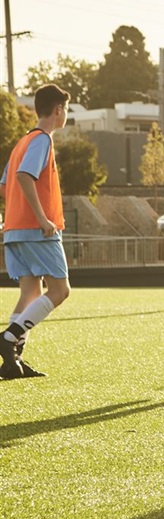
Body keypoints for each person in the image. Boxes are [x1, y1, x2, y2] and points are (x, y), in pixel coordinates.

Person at [0, 84, 72, 379]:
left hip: (15, 230)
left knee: (31, 293)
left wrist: (16, 214)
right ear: (58, 110)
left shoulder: (22, 142)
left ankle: (12, 362)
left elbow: (5, 185)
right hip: (36, 230)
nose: (66, 114)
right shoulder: (42, 140)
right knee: (60, 290)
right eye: (66, 109)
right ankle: (8, 338)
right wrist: (42, 217)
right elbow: (24, 177)